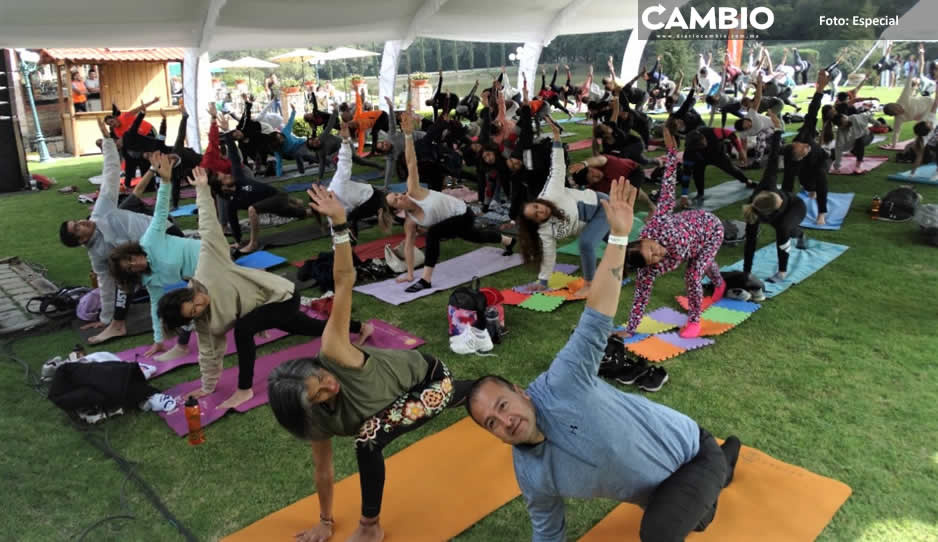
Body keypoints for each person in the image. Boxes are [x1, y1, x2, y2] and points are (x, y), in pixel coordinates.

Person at [466, 176, 740, 542]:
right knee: (682, 517)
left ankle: (721, 464)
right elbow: (547, 529)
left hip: (692, 455)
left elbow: (597, 314)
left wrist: (619, 238)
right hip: (660, 493)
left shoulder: (563, 382)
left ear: (521, 391)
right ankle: (726, 464)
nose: (505, 420)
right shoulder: (532, 474)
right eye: (492, 423)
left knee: (661, 532)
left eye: (502, 405)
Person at [268, 185, 472, 542]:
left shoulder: (334, 352)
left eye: (321, 379)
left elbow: (344, 281)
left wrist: (340, 226)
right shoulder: (312, 417)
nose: (330, 386)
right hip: (396, 400)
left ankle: (370, 527)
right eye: (319, 395)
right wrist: (325, 521)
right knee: (442, 402)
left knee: (370, 437)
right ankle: (484, 390)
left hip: (428, 379)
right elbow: (323, 468)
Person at [157, 167, 371, 410]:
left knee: (243, 329)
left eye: (194, 301)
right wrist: (207, 386)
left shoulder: (207, 268)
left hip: (280, 296)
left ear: (190, 291)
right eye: (194, 312)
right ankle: (361, 327)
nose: (200, 306)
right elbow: (208, 353)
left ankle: (244, 390)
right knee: (315, 329)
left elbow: (207, 227)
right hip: (264, 308)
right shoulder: (204, 324)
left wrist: (203, 189)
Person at [59, 119, 177, 344]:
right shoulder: (96, 254)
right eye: (78, 227)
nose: (83, 222)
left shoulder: (101, 211)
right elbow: (105, 284)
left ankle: (119, 324)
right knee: (124, 274)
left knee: (189, 267)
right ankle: (116, 324)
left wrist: (107, 142)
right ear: (81, 240)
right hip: (149, 254)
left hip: (165, 232)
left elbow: (111, 173)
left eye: (78, 221)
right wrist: (105, 317)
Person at [385, 108, 515, 293]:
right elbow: (408, 247)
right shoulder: (410, 222)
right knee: (475, 237)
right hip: (451, 221)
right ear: (398, 210)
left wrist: (407, 136)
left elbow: (411, 162)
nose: (400, 196)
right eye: (396, 200)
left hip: (463, 213)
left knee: (434, 234)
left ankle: (426, 280)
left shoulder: (414, 191)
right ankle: (508, 241)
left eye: (397, 194)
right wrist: (409, 273)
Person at [624, 126, 726, 339]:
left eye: (652, 249)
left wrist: (672, 155)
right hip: (694, 243)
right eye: (652, 259)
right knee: (701, 263)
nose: (657, 254)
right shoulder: (647, 270)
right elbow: (640, 297)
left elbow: (668, 191)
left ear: (644, 238)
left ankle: (695, 321)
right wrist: (630, 329)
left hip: (710, 228)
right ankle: (720, 283)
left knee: (693, 273)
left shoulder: (658, 225)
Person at [107, 152, 201, 361]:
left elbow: (160, 211)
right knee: (185, 304)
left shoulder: (149, 242)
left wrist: (165, 180)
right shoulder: (150, 279)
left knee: (190, 302)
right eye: (131, 268)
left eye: (131, 259)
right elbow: (155, 306)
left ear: (133, 252)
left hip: (209, 253)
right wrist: (158, 340)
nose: (136, 264)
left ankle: (182, 346)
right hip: (200, 275)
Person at [517, 119, 608, 298]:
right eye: (536, 215)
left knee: (587, 244)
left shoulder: (551, 193)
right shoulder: (544, 231)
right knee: (620, 247)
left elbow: (557, 168)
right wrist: (543, 281)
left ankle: (590, 285)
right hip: (591, 224)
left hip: (602, 206)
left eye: (537, 206)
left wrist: (557, 137)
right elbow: (549, 254)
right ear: (536, 223)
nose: (540, 211)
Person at [208, 112, 318, 253]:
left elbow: (234, 155)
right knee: (305, 213)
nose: (225, 174)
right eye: (222, 177)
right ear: (222, 187)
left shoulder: (238, 177)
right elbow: (233, 221)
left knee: (252, 209)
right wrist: (237, 241)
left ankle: (253, 243)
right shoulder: (232, 202)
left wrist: (227, 132)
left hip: (277, 196)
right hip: (272, 205)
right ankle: (318, 210)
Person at [742, 130, 808, 284]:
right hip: (776, 217)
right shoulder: (754, 215)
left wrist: (777, 134)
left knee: (784, 230)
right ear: (771, 211)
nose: (779, 195)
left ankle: (782, 272)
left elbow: (773, 158)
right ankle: (799, 234)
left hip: (796, 206)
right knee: (786, 229)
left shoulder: (768, 184)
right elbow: (750, 245)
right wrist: (746, 273)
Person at [327, 121, 394, 240]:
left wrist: (346, 140)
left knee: (390, 207)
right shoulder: (331, 208)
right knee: (352, 218)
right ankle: (353, 239)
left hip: (371, 196)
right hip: (367, 196)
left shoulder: (337, 185)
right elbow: (335, 223)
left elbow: (344, 161)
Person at [783, 70, 832, 226]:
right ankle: (811, 189)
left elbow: (812, 110)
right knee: (807, 184)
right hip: (805, 167)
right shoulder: (792, 163)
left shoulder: (804, 135)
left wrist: (820, 89)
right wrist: (785, 208)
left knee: (820, 179)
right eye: (804, 148)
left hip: (822, 160)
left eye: (802, 144)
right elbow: (788, 185)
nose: (806, 145)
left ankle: (822, 212)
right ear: (799, 157)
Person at [883, 72, 938, 149]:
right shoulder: (898, 119)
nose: (898, 108)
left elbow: (907, 85)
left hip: (928, 102)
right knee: (924, 129)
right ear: (894, 114)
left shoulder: (902, 99)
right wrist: (893, 145)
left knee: (929, 125)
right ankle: (928, 144)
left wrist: (911, 71)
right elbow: (896, 132)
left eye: (895, 106)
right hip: (924, 115)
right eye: (894, 110)